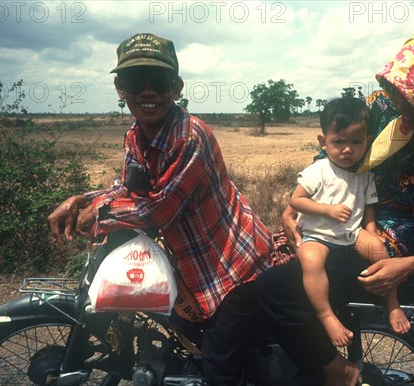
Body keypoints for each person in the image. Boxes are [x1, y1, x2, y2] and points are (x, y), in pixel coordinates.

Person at [254, 22, 414, 385]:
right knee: (259, 266)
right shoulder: (381, 108)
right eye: (398, 91)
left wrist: (411, 263)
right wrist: (294, 207)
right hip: (340, 223)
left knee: (272, 290)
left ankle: (335, 372)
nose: (401, 102)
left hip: (388, 252)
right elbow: (333, 153)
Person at [46, 33, 273, 385]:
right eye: (137, 81)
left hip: (230, 265)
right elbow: (131, 189)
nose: (148, 91)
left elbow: (157, 210)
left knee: (219, 363)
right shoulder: (136, 134)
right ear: (121, 88)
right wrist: (84, 199)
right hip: (193, 262)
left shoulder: (189, 136)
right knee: (180, 333)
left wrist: (101, 212)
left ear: (176, 87)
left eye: (160, 81)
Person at [290, 98, 410, 350]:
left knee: (379, 250)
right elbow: (297, 200)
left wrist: (370, 232)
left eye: (356, 142)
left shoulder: (365, 174)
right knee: (310, 261)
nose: (347, 150)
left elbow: (368, 209)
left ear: (367, 141)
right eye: (339, 142)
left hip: (351, 233)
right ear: (323, 142)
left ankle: (393, 305)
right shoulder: (318, 170)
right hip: (317, 234)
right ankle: (326, 316)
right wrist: (326, 210)